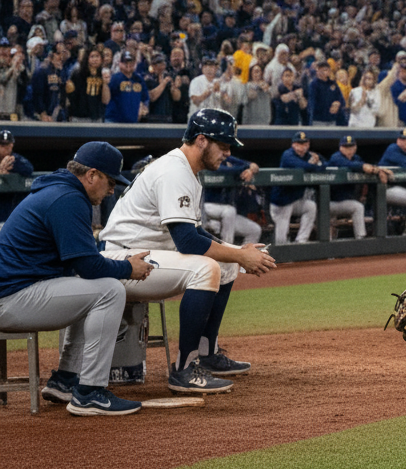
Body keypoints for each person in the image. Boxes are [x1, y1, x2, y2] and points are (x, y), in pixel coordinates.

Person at [98, 108, 276, 393]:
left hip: (146, 253)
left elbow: (194, 233)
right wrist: (241, 255)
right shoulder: (174, 171)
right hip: (121, 258)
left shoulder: (188, 172)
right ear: (202, 140)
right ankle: (184, 369)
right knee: (207, 268)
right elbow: (189, 243)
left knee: (227, 264)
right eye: (223, 145)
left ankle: (208, 353)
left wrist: (236, 251)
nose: (228, 152)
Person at [0, 141, 153, 416]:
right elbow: (90, 266)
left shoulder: (60, 190)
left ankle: (66, 379)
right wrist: (129, 269)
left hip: (16, 292)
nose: (111, 190)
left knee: (94, 289)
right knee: (109, 290)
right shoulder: (68, 198)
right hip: (11, 298)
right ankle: (90, 392)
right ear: (91, 175)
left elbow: (83, 267)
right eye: (109, 181)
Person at [326, 135, 393, 239]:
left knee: (357, 207)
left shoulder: (357, 158)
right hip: (329, 202)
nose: (349, 150)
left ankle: (360, 238)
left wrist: (378, 170)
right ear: (340, 148)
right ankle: (326, 246)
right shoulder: (336, 157)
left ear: (355, 147)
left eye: (351, 147)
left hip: (345, 201)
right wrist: (364, 167)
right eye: (346, 147)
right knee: (357, 207)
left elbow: (363, 165)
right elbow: (350, 164)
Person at [268, 130, 320, 244]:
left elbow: (324, 165)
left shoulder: (308, 155)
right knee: (282, 236)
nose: (302, 147)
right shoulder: (287, 155)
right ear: (293, 145)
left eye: (305, 144)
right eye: (299, 144)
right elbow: (302, 166)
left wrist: (316, 164)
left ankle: (301, 241)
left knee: (310, 207)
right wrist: (313, 164)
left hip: (294, 201)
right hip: (281, 202)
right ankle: (281, 255)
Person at [203, 153, 264, 246]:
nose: (226, 152)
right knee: (229, 211)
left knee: (255, 230)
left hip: (227, 215)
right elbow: (224, 171)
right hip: (206, 209)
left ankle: (242, 258)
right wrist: (245, 169)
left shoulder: (227, 158)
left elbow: (254, 166)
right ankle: (228, 250)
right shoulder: (208, 158)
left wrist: (250, 170)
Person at [105, 49, 149, 123]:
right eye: (125, 62)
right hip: (114, 121)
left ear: (135, 63)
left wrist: (143, 107)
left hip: (133, 121)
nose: (128, 65)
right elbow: (106, 98)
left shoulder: (139, 79)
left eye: (131, 63)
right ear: (120, 63)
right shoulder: (115, 78)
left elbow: (145, 98)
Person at [0, 128, 34, 224]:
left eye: (8, 144)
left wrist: (11, 170)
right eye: (2, 145)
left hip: (8, 211)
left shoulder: (15, 160)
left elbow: (29, 169)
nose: (5, 148)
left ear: (12, 145)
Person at [308, 59, 345, 125]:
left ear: (329, 71)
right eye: (320, 70)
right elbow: (312, 103)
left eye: (325, 70)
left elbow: (341, 99)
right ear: (317, 71)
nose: (323, 72)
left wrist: (338, 103)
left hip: (332, 119)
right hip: (318, 120)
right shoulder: (314, 85)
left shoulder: (333, 84)